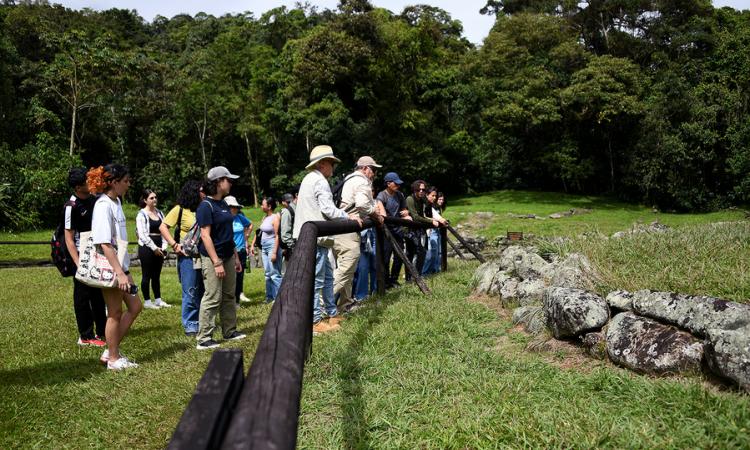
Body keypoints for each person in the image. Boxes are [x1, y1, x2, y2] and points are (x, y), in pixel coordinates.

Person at [293, 145, 361, 335]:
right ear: (322, 164)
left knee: (328, 277)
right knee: (317, 280)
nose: (333, 167)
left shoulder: (309, 179)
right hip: (315, 239)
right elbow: (328, 209)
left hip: (315, 238)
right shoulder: (320, 181)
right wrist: (348, 217)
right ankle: (315, 321)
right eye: (331, 163)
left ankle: (331, 313)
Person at [87, 164, 142, 370]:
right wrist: (120, 273)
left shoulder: (116, 201)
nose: (128, 185)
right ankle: (113, 359)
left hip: (122, 267)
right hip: (112, 269)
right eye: (125, 181)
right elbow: (104, 243)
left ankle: (110, 350)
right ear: (113, 182)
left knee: (135, 307)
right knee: (115, 313)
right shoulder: (103, 205)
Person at [195, 166, 246, 350]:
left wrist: (236, 257)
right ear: (218, 182)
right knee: (213, 296)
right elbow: (205, 236)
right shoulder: (205, 206)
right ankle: (204, 338)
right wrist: (216, 262)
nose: (231, 183)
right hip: (212, 258)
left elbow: (228, 233)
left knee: (228, 295)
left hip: (228, 255)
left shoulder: (224, 204)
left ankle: (229, 331)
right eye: (228, 180)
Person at [333, 156, 384, 309]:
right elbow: (363, 205)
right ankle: (321, 305)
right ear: (364, 168)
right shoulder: (362, 181)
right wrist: (376, 214)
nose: (374, 173)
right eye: (373, 169)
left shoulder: (348, 179)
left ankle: (345, 303)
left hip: (338, 226)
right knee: (347, 266)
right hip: (348, 228)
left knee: (345, 266)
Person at [64, 168, 107, 347]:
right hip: (80, 257)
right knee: (82, 297)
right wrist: (78, 262)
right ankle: (85, 336)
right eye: (86, 182)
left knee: (98, 293)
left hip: (95, 253)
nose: (90, 184)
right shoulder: (71, 206)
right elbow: (68, 237)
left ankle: (102, 332)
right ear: (77, 186)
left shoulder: (94, 200)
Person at [159, 180, 204, 337]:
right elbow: (163, 227)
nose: (203, 193)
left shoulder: (204, 208)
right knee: (190, 290)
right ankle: (191, 324)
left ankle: (203, 321)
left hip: (204, 255)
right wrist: (175, 245)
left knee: (204, 290)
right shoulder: (180, 209)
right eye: (200, 190)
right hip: (188, 257)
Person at [376, 172, 412, 288]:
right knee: (386, 258)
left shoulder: (400, 195)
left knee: (399, 255)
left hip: (398, 230)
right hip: (386, 231)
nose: (397, 185)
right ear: (388, 183)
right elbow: (382, 213)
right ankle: (385, 282)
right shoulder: (382, 196)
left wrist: (406, 212)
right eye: (395, 183)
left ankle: (394, 279)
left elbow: (404, 210)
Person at [136, 189, 170, 309]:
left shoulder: (160, 213)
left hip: (159, 246)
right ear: (145, 200)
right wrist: (154, 248)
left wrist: (164, 247)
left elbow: (165, 230)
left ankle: (158, 299)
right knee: (147, 275)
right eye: (151, 198)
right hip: (147, 248)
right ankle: (147, 301)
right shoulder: (141, 214)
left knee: (156, 275)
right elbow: (143, 234)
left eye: (155, 197)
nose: (154, 199)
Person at [250, 197, 282, 303]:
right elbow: (259, 232)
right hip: (264, 247)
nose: (261, 206)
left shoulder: (275, 217)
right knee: (267, 274)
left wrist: (274, 252)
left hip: (272, 246)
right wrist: (252, 245)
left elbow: (278, 236)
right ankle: (269, 297)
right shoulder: (265, 218)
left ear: (269, 206)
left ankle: (279, 298)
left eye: (263, 204)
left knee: (274, 274)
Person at [405, 180, 437, 279]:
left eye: (423, 189)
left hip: (418, 229)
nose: (421, 191)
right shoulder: (410, 199)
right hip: (409, 230)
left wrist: (432, 219)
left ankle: (416, 275)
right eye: (419, 189)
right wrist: (431, 222)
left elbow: (425, 213)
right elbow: (415, 216)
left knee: (421, 252)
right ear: (415, 189)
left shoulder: (422, 200)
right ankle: (410, 277)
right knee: (412, 253)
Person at [225, 195, 252, 304]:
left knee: (239, 276)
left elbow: (250, 224)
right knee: (229, 277)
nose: (235, 209)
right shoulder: (224, 220)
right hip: (229, 252)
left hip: (240, 251)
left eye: (236, 207)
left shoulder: (240, 217)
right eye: (233, 207)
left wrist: (247, 235)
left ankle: (237, 299)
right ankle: (228, 300)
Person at [422, 187, 447, 275]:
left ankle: (433, 271)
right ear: (427, 195)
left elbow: (435, 215)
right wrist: (432, 221)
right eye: (433, 196)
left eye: (435, 196)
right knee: (429, 254)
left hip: (432, 231)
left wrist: (442, 220)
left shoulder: (429, 205)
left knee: (435, 253)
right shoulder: (424, 204)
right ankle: (424, 274)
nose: (435, 198)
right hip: (426, 232)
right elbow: (422, 216)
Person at [279, 193, 296, 263]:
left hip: (289, 247)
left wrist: (291, 246)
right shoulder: (297, 208)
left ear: (283, 202)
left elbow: (285, 233)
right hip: (295, 243)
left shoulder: (286, 211)